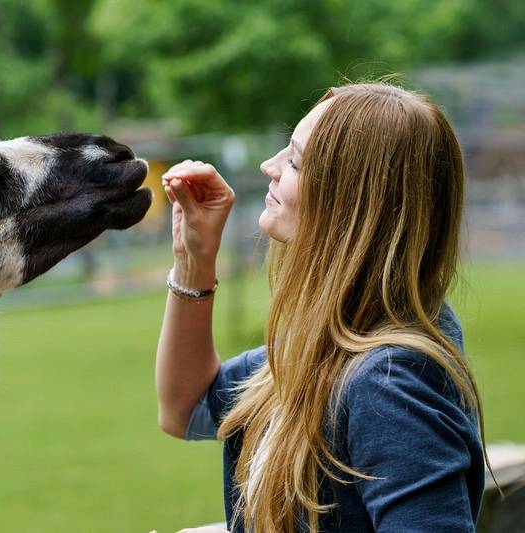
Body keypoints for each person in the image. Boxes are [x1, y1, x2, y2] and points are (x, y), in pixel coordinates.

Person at [155, 83, 487, 533]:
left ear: (350, 202)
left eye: (293, 160)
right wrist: (194, 259)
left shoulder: (390, 382)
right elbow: (186, 407)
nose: (268, 166)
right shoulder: (335, 338)